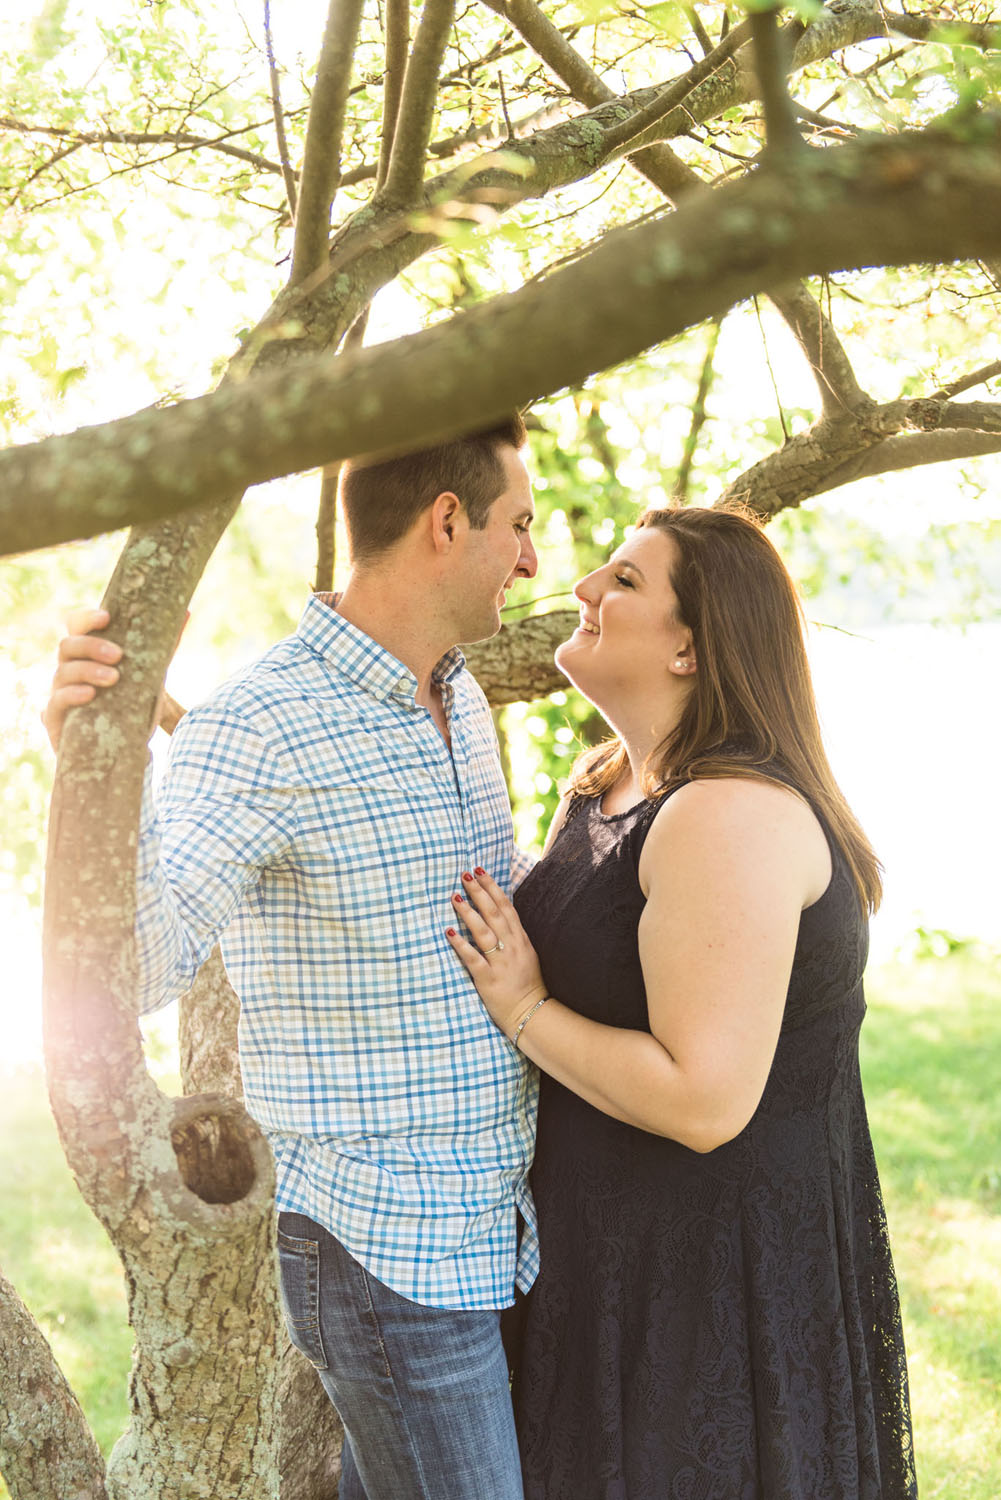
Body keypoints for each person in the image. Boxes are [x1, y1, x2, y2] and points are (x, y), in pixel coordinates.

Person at [43, 417, 542, 1500]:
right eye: (519, 526)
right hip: (384, 1244)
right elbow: (142, 969)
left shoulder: (453, 692)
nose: (533, 560)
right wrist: (99, 765)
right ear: (445, 524)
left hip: (488, 1226)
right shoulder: (260, 727)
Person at [445, 504, 917, 1500]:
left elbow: (702, 1101)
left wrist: (523, 1008)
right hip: (609, 1269)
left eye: (621, 581)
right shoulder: (610, 783)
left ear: (688, 651)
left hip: (705, 1305)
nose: (578, 589)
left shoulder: (727, 816)